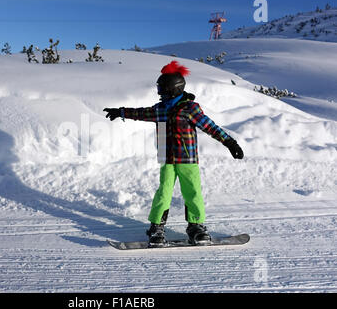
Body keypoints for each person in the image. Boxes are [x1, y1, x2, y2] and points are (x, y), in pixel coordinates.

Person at [103, 61, 244, 247]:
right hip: (167, 159)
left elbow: (210, 127)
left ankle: (196, 227)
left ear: (173, 89)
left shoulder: (190, 109)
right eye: (159, 88)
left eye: (162, 88)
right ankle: (157, 228)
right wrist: (120, 112)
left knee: (193, 193)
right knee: (164, 192)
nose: (159, 92)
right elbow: (140, 113)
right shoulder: (160, 109)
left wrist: (230, 142)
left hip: (188, 160)